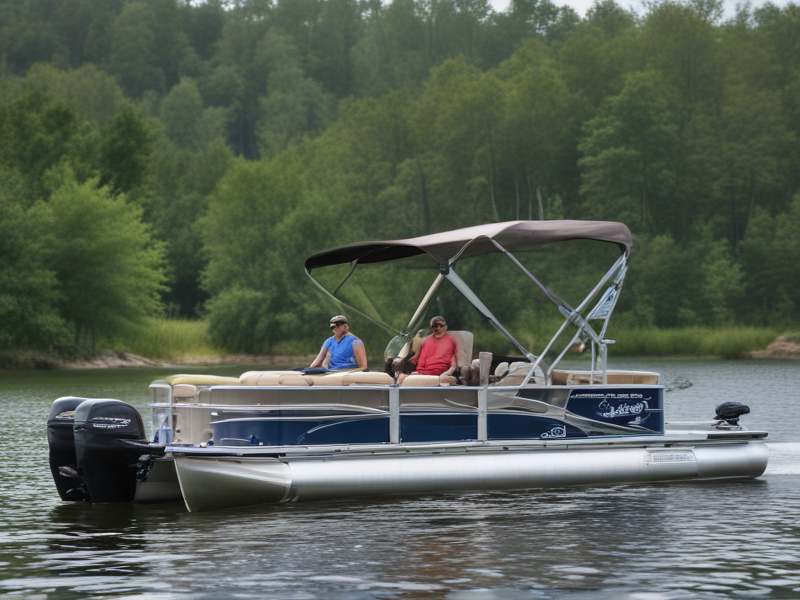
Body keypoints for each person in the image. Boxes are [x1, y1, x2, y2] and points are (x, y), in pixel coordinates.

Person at [398, 316, 458, 385]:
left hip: (443, 375)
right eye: (435, 326)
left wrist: (446, 373)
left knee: (447, 379)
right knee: (401, 377)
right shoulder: (426, 341)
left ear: (445, 327)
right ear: (432, 327)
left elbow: (453, 364)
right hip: (425, 374)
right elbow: (421, 362)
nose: (438, 328)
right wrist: (419, 373)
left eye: (441, 325)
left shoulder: (451, 340)